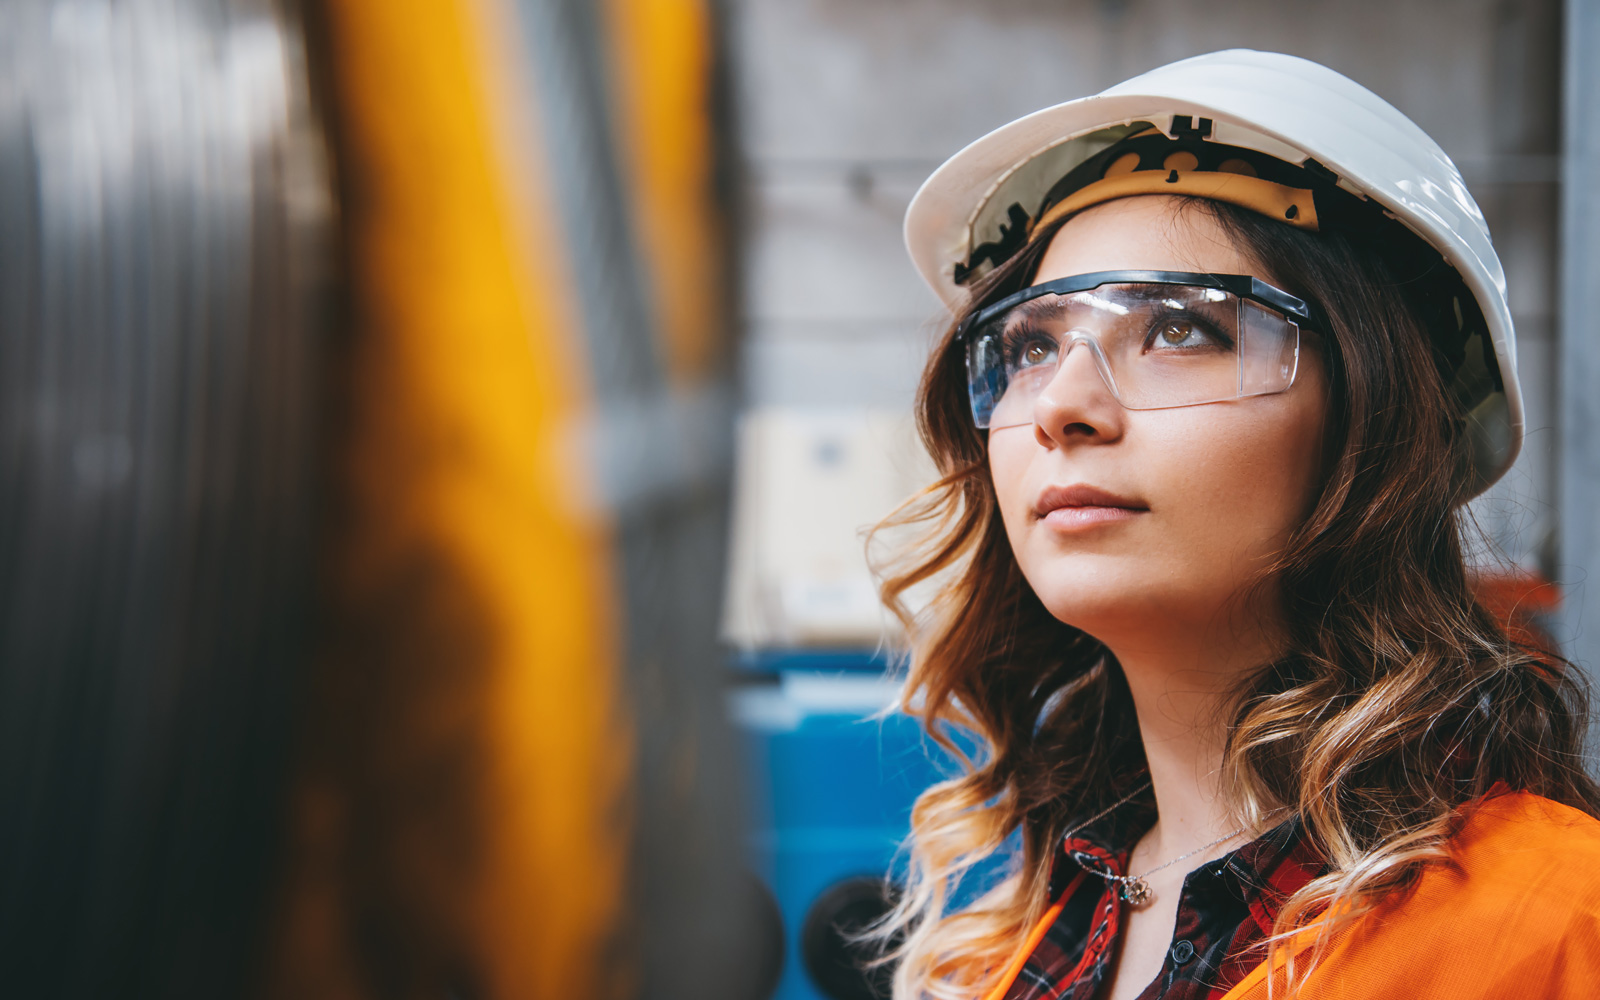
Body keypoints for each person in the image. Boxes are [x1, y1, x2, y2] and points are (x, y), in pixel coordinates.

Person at [871, 50, 1600, 1000]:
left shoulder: (1554, 929)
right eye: (1031, 345)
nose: (1059, 406)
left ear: (1373, 416)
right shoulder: (1006, 949)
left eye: (1180, 328)